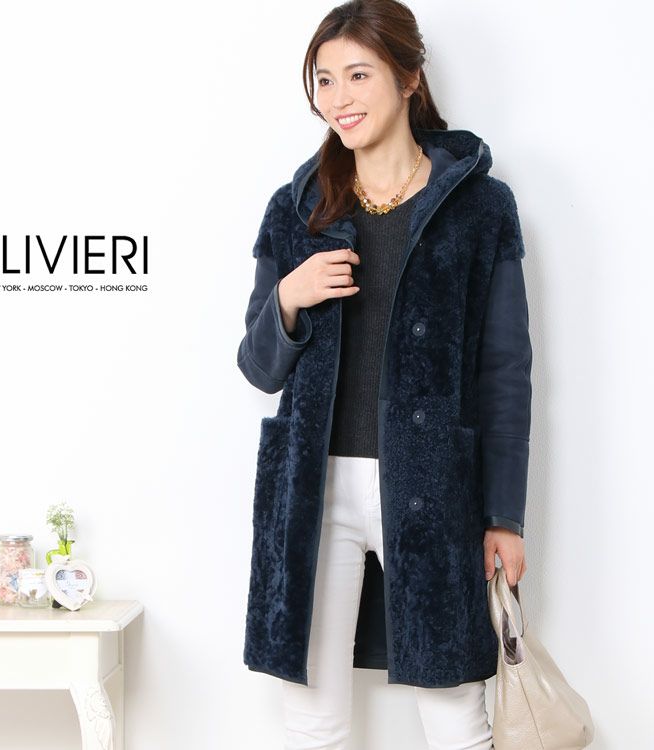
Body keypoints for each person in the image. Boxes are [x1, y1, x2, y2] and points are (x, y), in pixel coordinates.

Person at [236, 1, 532, 748]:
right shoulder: (297, 210)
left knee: (456, 716)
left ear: (408, 78)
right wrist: (289, 297)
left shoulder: (479, 208)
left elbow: (505, 373)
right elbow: (258, 367)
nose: (338, 98)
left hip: (433, 489)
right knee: (313, 721)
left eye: (358, 75)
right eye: (324, 80)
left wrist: (504, 516)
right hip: (314, 492)